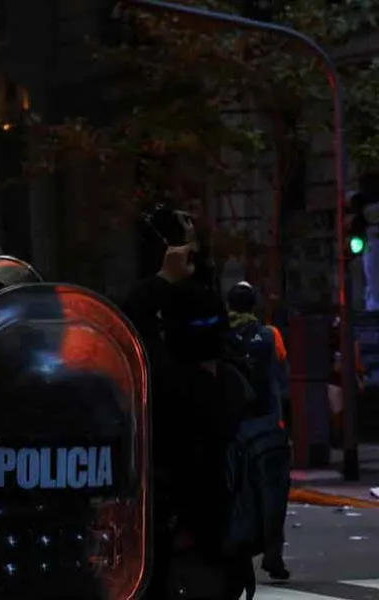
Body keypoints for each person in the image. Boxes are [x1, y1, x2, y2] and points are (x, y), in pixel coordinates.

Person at [123, 217, 255, 600]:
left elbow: (133, 318)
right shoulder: (236, 382)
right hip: (222, 548)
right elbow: (209, 313)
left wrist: (165, 277)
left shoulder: (171, 384)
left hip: (180, 546)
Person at [226, 281, 291, 581]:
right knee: (273, 491)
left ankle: (236, 551)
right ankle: (273, 553)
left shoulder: (222, 337)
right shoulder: (270, 335)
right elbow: (281, 372)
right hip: (267, 427)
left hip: (234, 429)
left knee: (237, 491)